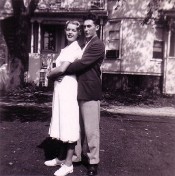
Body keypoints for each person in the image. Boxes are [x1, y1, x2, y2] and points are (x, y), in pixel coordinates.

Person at [44, 20, 82, 176]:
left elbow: (62, 68)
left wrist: (49, 74)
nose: (70, 32)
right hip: (61, 89)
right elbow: (58, 70)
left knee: (69, 124)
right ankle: (60, 158)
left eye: (74, 30)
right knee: (61, 122)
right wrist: (54, 74)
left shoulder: (75, 49)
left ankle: (68, 164)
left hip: (69, 89)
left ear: (78, 33)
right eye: (68, 29)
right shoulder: (66, 48)